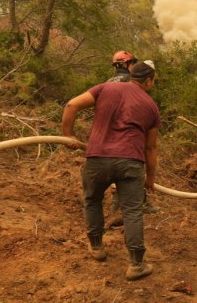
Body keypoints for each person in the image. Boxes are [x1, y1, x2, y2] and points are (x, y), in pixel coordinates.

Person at [61, 61, 160, 281]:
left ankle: (96, 247)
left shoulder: (105, 88)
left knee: (92, 200)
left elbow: (71, 106)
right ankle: (136, 265)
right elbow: (150, 147)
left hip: (98, 158)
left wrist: (68, 135)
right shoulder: (151, 106)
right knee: (132, 211)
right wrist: (150, 178)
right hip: (131, 163)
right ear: (149, 81)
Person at [106, 55, 160, 217]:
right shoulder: (129, 81)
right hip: (128, 130)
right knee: (133, 165)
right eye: (131, 64)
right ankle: (138, 202)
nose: (133, 67)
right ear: (125, 64)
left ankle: (116, 206)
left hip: (109, 131)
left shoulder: (110, 80)